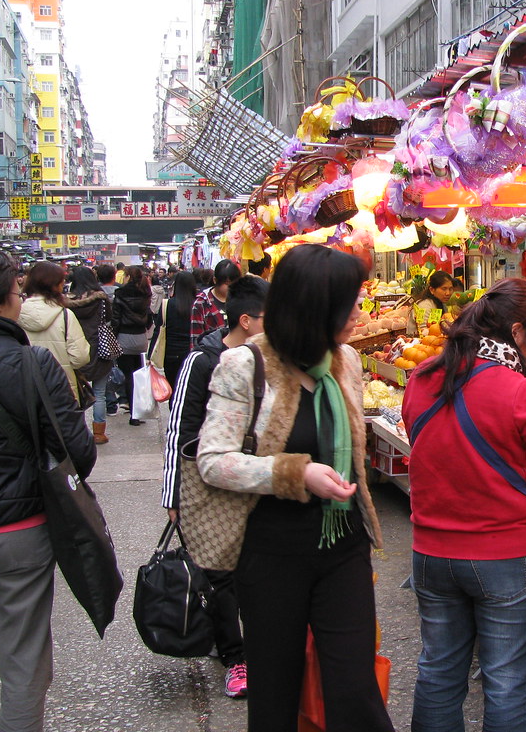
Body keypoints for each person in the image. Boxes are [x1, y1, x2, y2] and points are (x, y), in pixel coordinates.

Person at [197, 245, 392, 732]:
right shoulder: (245, 365)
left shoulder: (346, 359)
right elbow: (213, 461)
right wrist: (293, 473)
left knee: (355, 690)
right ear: (314, 306)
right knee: (275, 694)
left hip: (343, 547)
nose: (359, 313)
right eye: (348, 303)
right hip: (271, 553)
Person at [401, 278, 526, 732]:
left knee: (438, 671)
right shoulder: (517, 390)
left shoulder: (423, 376)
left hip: (432, 552)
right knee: (507, 679)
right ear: (515, 330)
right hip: (505, 559)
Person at [0, 249, 96, 732]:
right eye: (18, 291)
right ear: (1, 301)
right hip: (20, 528)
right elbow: (79, 453)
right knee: (22, 652)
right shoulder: (34, 364)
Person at [162, 276, 269, 700]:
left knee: (254, 573)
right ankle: (235, 658)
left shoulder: (270, 360)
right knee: (221, 576)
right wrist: (173, 495)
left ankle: (255, 649)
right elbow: (178, 430)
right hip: (209, 487)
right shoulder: (203, 361)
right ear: (245, 321)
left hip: (256, 483)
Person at [17, 261, 91, 405]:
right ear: (56, 285)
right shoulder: (65, 315)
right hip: (63, 389)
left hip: (25, 390)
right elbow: (80, 357)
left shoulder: (16, 314)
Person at [66, 266, 114, 444]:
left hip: (75, 349)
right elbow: (109, 318)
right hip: (100, 348)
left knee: (75, 394)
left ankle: (79, 433)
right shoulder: (101, 299)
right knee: (99, 393)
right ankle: (99, 433)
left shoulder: (67, 303)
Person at [112, 266, 153, 426]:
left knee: (128, 376)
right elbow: (150, 317)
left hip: (125, 337)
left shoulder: (120, 294)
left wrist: (113, 338)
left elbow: (116, 319)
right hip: (140, 338)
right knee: (138, 375)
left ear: (128, 276)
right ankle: (138, 411)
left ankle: (133, 414)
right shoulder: (145, 294)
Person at [191, 259, 241, 349]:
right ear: (215, 280)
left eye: (235, 283)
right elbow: (195, 338)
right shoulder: (201, 303)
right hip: (211, 355)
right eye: (227, 284)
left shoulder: (240, 300)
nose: (231, 287)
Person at [164, 271, 198, 391]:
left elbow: (159, 330)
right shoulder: (198, 304)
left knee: (173, 389)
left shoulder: (168, 304)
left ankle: (174, 409)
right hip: (192, 351)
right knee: (190, 389)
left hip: (171, 353)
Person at [408, 270, 454, 336]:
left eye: (450, 289)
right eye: (444, 289)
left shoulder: (442, 303)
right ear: (432, 290)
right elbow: (424, 332)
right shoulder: (425, 306)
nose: (448, 293)